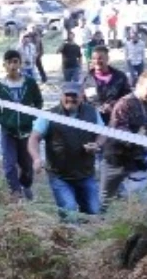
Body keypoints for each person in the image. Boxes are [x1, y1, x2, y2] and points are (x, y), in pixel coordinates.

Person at [28, 82, 105, 220]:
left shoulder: (92, 112)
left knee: (93, 212)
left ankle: (87, 239)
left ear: (82, 96)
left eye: (74, 96)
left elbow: (103, 132)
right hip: (60, 176)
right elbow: (34, 138)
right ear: (60, 96)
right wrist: (36, 158)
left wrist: (97, 144)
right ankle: (71, 238)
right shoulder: (49, 115)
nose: (70, 99)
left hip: (86, 173)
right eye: (67, 95)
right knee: (69, 213)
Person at [0, 49, 43, 200]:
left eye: (15, 62)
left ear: (20, 63)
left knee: (27, 165)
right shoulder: (0, 86)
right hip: (9, 131)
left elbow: (38, 101)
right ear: (4, 65)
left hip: (26, 131)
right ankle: (15, 192)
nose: (13, 65)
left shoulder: (29, 83)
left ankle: (25, 185)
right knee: (9, 164)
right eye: (9, 62)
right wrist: (3, 120)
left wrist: (31, 117)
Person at [102, 70, 147, 202]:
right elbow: (119, 132)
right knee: (104, 200)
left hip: (137, 161)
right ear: (139, 86)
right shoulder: (125, 104)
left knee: (137, 200)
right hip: (116, 160)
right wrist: (138, 138)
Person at [82, 46, 131, 126]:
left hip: (116, 120)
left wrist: (114, 105)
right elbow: (84, 102)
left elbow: (128, 97)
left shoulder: (120, 77)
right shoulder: (87, 79)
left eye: (100, 58)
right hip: (94, 121)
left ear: (107, 58)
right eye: (94, 58)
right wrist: (99, 108)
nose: (96, 61)